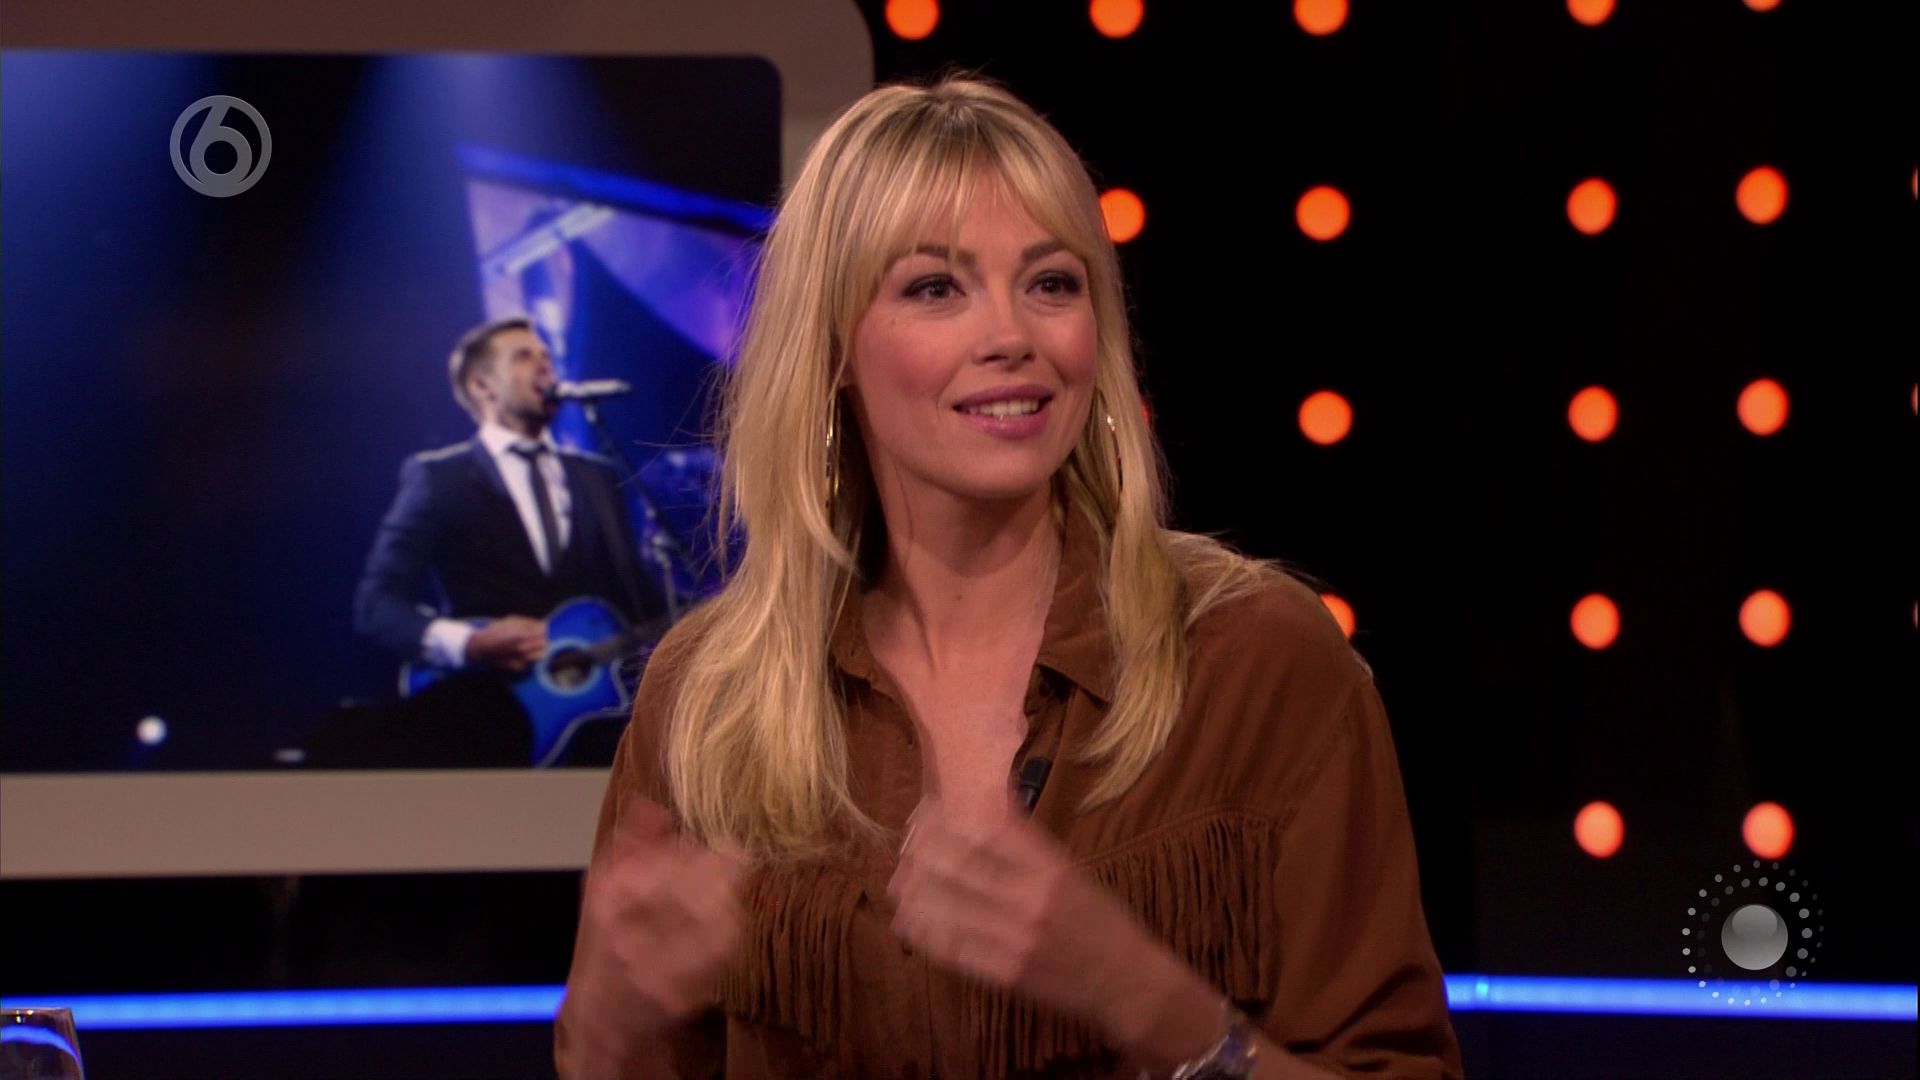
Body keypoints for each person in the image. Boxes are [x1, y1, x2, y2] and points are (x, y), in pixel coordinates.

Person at [556, 78, 1464, 1079]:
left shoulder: (1257, 659)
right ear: (834, 348)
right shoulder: (710, 696)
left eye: (1052, 283)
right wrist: (610, 1029)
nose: (1013, 337)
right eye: (935, 289)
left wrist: (1152, 1004)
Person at [354, 316, 656, 682]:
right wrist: (472, 643)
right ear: (482, 386)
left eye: (546, 355)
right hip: (492, 701)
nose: (544, 364)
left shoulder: (597, 476)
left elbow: (640, 599)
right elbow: (378, 604)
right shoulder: (439, 478)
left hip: (599, 697)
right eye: (523, 356)